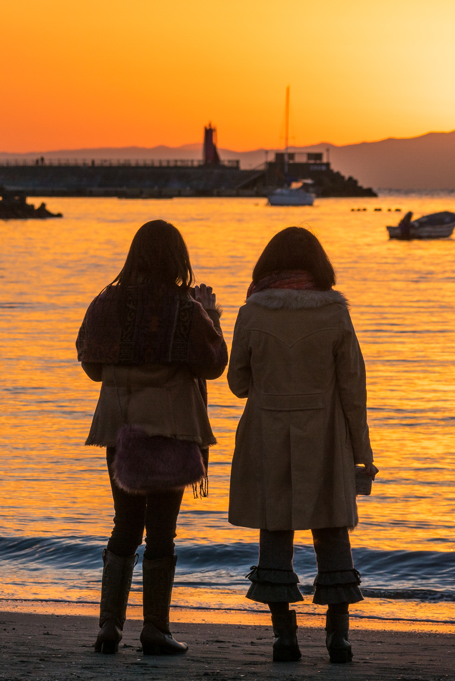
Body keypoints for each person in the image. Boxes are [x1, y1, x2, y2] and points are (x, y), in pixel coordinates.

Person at [76, 220, 228, 655]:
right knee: (162, 532)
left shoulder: (105, 303)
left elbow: (90, 362)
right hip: (172, 427)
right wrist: (211, 312)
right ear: (177, 259)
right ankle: (155, 630)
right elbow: (214, 363)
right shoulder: (188, 309)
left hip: (118, 427)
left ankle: (109, 627)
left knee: (125, 525)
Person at [227, 227, 378, 664]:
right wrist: (362, 451)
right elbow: (353, 387)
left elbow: (238, 384)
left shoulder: (252, 311)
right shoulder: (335, 312)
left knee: (275, 533)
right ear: (318, 265)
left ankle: (284, 639)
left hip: (267, 435)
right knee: (331, 531)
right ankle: (338, 638)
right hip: (326, 438)